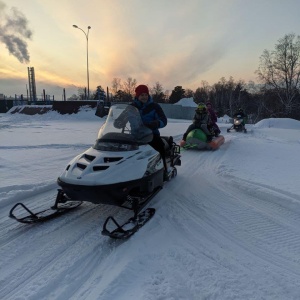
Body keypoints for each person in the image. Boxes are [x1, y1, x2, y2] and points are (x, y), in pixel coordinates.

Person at [126, 84, 170, 179]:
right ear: (137, 96)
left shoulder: (154, 106)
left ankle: (164, 171)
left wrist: (157, 123)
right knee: (123, 150)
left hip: (151, 135)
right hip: (135, 136)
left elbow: (164, 120)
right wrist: (118, 121)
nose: (144, 97)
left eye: (146, 94)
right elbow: (121, 118)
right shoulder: (131, 107)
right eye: (142, 95)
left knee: (159, 147)